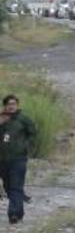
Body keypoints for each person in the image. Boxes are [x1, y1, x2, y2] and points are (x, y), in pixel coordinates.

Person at [0, 94, 37, 224]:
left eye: (14, 104)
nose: (11, 106)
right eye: (9, 104)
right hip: (2, 160)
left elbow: (33, 133)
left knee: (15, 186)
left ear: (17, 105)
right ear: (5, 105)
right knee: (8, 186)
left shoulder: (23, 119)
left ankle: (13, 214)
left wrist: (26, 147)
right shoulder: (1, 119)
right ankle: (19, 212)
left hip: (18, 159)